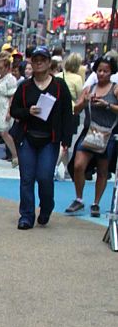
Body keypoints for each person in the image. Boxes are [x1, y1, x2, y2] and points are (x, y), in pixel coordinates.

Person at [9, 45, 71, 230]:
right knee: (27, 178)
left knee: (44, 177)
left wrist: (66, 140)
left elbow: (68, 114)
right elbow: (14, 110)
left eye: (42, 60)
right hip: (27, 137)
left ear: (48, 62)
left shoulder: (59, 86)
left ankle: (46, 207)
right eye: (35, 60)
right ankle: (26, 215)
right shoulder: (25, 87)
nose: (38, 63)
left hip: (50, 139)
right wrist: (28, 111)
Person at [65, 57, 118, 218]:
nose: (102, 74)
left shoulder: (115, 89)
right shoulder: (89, 88)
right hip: (89, 132)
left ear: (111, 72)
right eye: (100, 70)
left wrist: (107, 105)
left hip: (107, 134)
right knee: (78, 165)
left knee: (102, 170)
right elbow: (76, 110)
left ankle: (96, 202)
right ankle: (79, 198)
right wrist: (84, 101)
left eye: (106, 71)